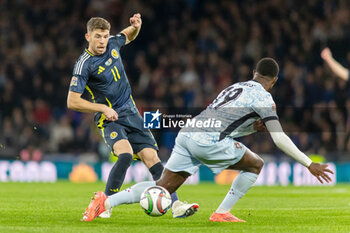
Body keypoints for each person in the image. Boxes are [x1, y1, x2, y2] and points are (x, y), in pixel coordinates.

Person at [81, 58, 334, 222]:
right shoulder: (265, 100)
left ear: (253, 72)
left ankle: (105, 202)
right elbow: (279, 138)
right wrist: (308, 163)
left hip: (189, 132)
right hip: (208, 140)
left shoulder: (236, 87)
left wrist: (250, 130)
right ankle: (222, 212)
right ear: (275, 81)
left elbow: (224, 121)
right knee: (256, 164)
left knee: (163, 187)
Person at [67, 14, 196, 218]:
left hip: (132, 112)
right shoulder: (84, 64)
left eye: (105, 36)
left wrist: (135, 26)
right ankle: (105, 204)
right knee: (125, 155)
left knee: (152, 158)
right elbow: (72, 101)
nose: (102, 41)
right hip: (110, 117)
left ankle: (177, 205)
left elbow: (128, 34)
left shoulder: (112, 44)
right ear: (87, 36)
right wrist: (102, 108)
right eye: (98, 36)